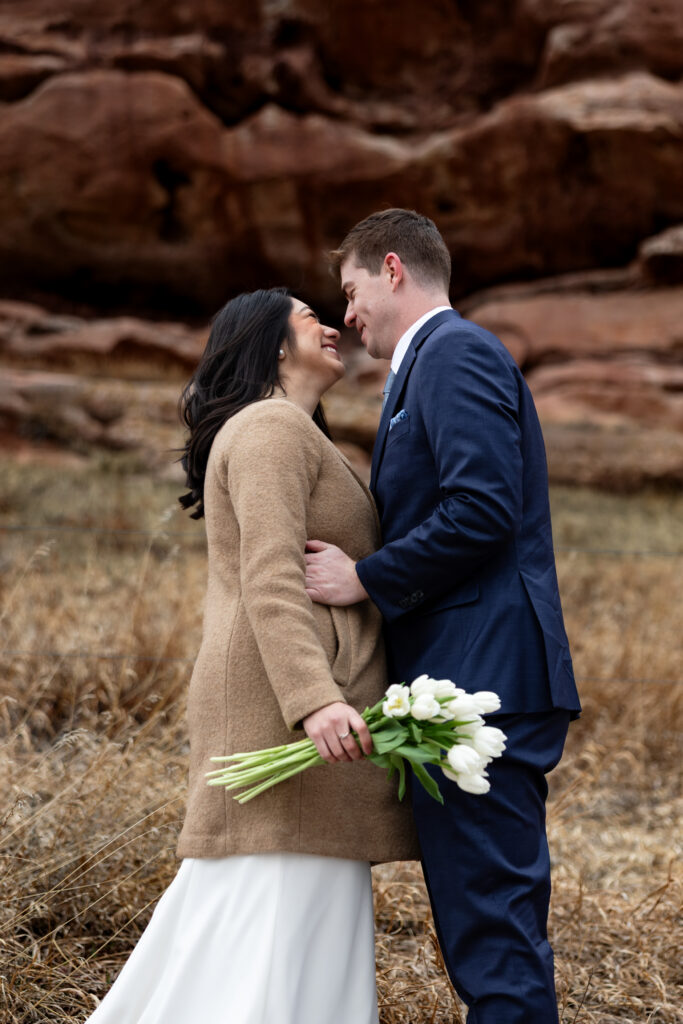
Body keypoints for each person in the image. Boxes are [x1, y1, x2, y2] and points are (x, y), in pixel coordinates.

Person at [84, 287, 419, 1024]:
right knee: (271, 919)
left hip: (287, 709)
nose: (332, 326)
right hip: (284, 710)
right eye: (309, 318)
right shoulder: (270, 426)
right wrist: (315, 700)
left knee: (258, 922)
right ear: (272, 345)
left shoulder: (290, 431)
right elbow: (270, 577)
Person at [304, 209, 582, 1024]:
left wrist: (367, 579)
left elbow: (482, 507)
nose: (347, 315)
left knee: (491, 928)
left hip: (485, 679)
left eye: (350, 291)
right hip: (466, 674)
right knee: (480, 927)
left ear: (392, 269)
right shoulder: (424, 366)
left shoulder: (453, 354)